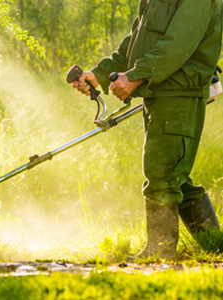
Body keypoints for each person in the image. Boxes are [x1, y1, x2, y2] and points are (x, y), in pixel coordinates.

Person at [72, 0, 222, 260]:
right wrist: (101, 72)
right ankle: (215, 247)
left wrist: (134, 76)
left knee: (162, 173)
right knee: (175, 175)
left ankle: (160, 251)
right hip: (161, 90)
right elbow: (137, 42)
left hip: (179, 92)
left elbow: (178, 43)